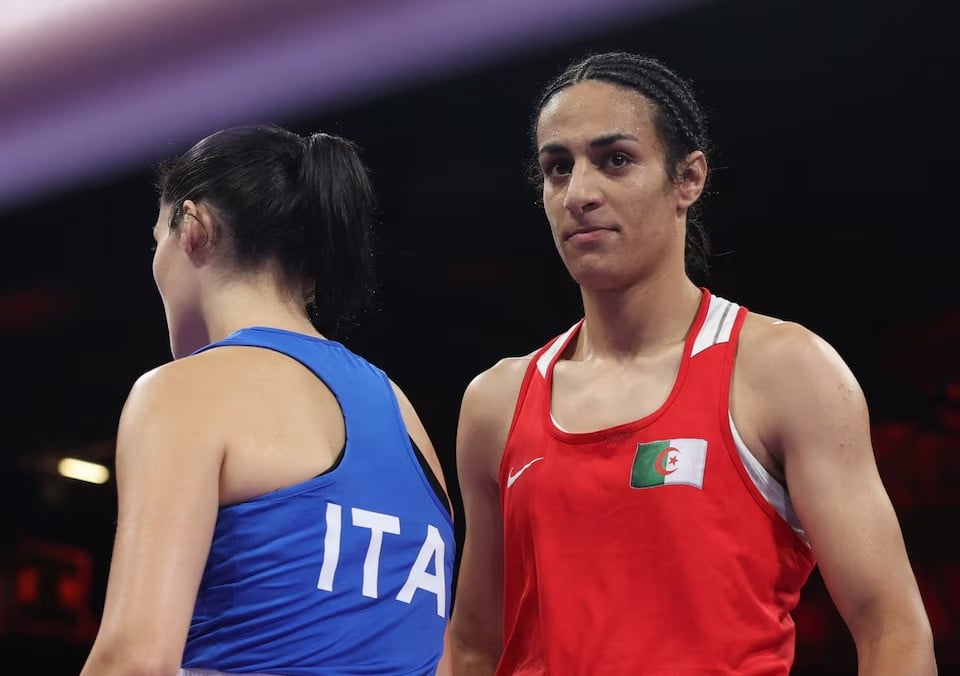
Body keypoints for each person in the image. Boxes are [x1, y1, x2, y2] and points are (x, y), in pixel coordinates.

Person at [450, 52, 936, 674]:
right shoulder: (495, 402)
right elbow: (472, 647)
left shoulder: (783, 371)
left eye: (615, 160)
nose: (580, 194)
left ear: (688, 179)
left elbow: (892, 628)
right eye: (557, 168)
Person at [80, 124, 454, 676]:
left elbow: (133, 661)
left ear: (194, 228)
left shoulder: (182, 394)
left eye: (156, 237)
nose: (155, 262)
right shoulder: (404, 415)